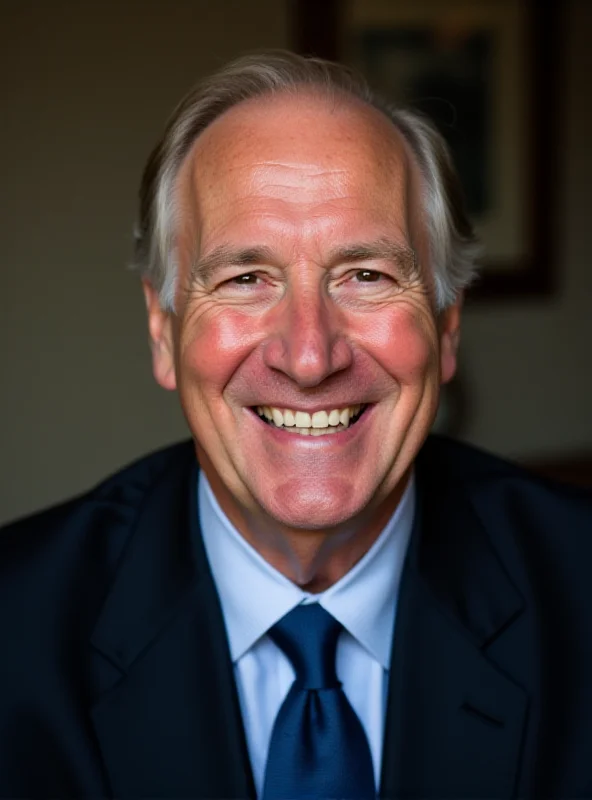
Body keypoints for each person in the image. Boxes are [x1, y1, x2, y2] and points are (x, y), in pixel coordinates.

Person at [0, 51, 591, 800]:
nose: (310, 356)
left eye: (366, 275)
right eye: (246, 278)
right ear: (162, 330)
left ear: (446, 327)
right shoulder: (14, 632)